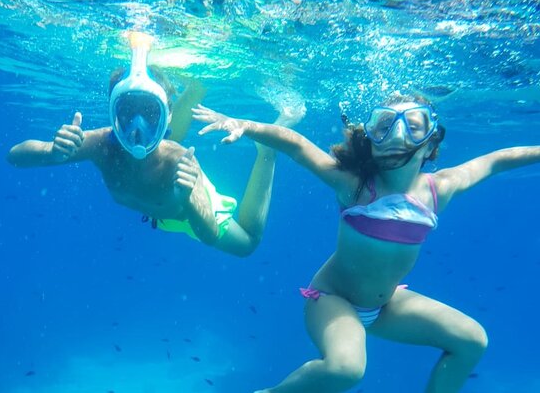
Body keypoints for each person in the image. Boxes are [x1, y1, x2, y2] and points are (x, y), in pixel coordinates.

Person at [193, 95, 540, 392]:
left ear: (432, 141)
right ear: (371, 137)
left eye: (413, 126)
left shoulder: (439, 188)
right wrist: (244, 125)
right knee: (346, 369)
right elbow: (297, 146)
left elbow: (497, 160)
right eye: (384, 125)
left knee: (472, 341)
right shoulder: (354, 185)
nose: (397, 135)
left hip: (387, 304)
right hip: (333, 299)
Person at [7, 32, 301, 257]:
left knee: (248, 244)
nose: (137, 130)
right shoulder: (100, 143)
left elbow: (210, 235)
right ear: (113, 113)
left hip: (187, 214)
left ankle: (267, 151)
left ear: (166, 115)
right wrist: (52, 151)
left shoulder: (179, 163)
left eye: (149, 114)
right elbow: (15, 157)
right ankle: (194, 89)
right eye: (127, 113)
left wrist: (189, 199)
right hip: (161, 213)